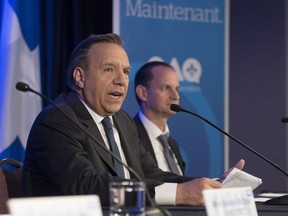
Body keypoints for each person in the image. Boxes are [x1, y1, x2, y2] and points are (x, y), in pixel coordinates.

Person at [22, 33, 245, 207]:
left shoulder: (122, 121)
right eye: (109, 69)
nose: (121, 80)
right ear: (80, 77)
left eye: (126, 72)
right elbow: (86, 186)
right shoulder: (56, 121)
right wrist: (178, 194)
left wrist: (209, 185)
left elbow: (151, 174)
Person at [133, 61, 185, 175]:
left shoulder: (172, 144)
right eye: (166, 88)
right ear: (143, 93)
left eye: (177, 89)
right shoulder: (129, 137)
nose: (176, 96)